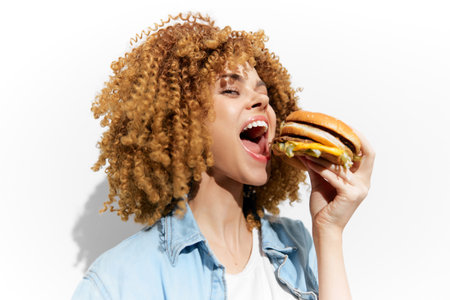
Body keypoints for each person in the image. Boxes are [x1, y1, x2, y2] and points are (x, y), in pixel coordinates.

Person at [72, 12, 375, 300]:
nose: (261, 100)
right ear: (182, 120)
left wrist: (329, 231)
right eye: (231, 91)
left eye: (263, 92)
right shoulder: (121, 279)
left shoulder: (294, 245)